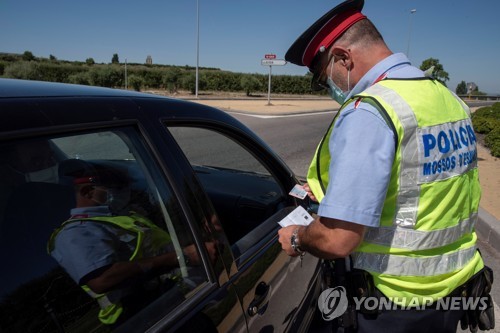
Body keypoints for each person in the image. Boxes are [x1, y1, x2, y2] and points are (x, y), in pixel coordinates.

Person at [278, 1, 492, 332]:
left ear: (343, 58)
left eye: (324, 79)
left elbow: (337, 239)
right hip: (454, 292)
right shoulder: (448, 98)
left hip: (393, 304)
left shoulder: (371, 111)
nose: (330, 89)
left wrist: (297, 239)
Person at [48, 159, 217, 326]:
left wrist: (201, 233)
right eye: (116, 189)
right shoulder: (76, 233)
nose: (125, 193)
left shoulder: (118, 217)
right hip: (140, 317)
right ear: (87, 192)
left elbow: (155, 247)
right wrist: (183, 257)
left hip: (170, 300)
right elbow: (102, 280)